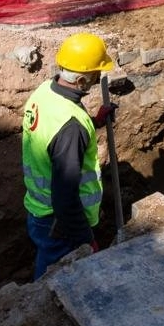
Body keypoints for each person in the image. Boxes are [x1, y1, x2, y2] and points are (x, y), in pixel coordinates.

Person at [21, 32, 117, 280]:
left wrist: (94, 122)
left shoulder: (46, 93)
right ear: (82, 81)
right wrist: (86, 239)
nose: (97, 81)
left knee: (47, 263)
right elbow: (65, 198)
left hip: (38, 211)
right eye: (95, 76)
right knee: (55, 279)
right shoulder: (71, 127)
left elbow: (55, 136)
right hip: (59, 223)